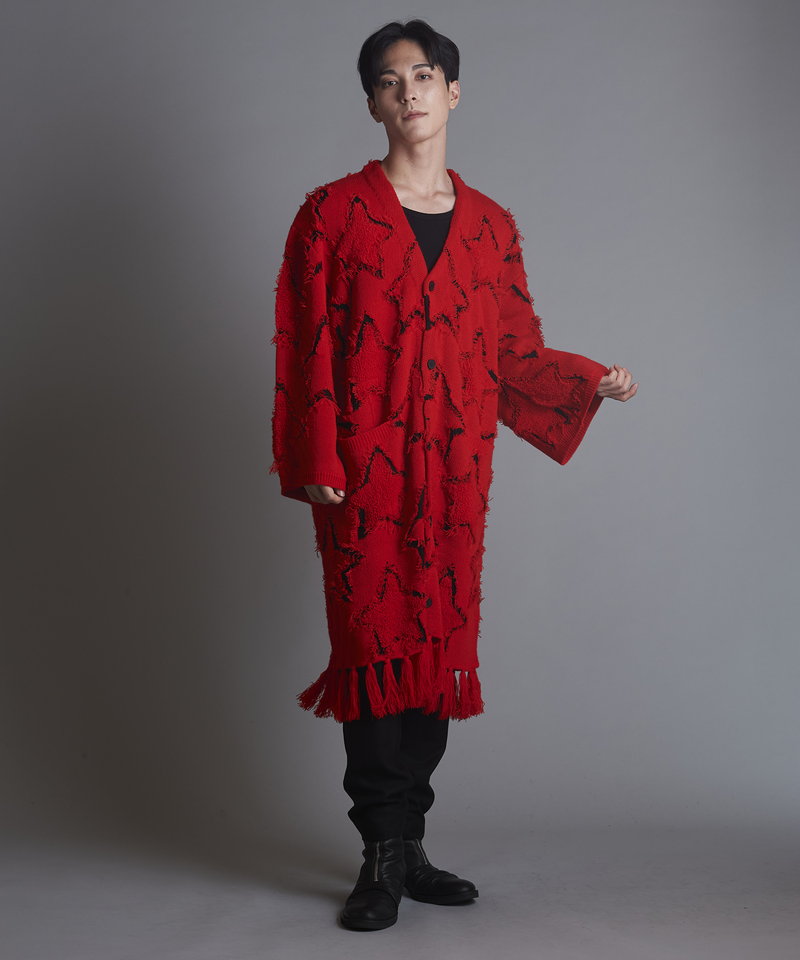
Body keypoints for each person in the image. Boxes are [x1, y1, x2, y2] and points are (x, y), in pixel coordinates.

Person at [270, 18, 638, 932]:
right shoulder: (331, 214)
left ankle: (408, 846)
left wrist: (585, 378)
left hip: (454, 471)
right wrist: (315, 455)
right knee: (372, 645)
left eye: (425, 75)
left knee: (436, 647)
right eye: (390, 81)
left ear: (454, 92)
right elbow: (305, 340)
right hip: (364, 471)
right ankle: (379, 851)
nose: (410, 92)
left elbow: (512, 350)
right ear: (372, 103)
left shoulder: (491, 227)